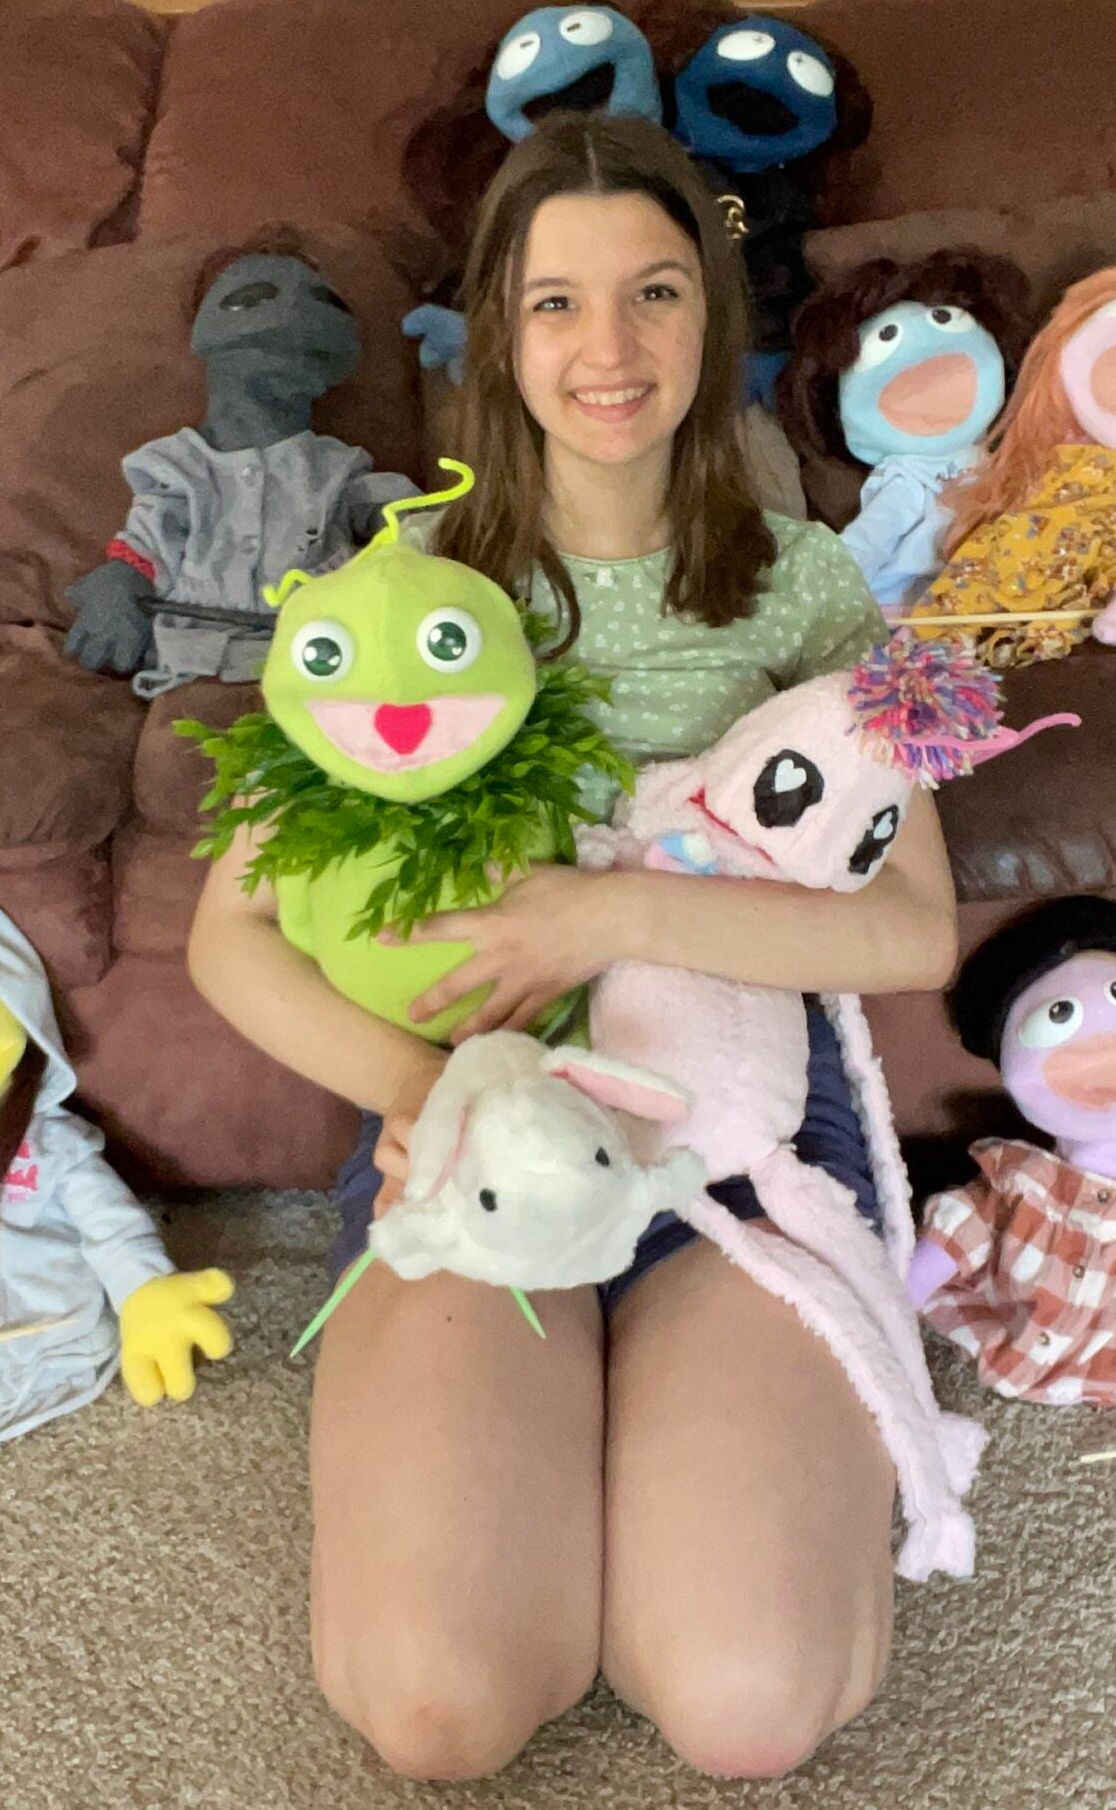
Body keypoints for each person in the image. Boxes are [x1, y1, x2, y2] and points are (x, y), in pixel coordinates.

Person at [185, 113, 958, 1781]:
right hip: (478, 1124)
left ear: (712, 317)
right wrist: (421, 1092)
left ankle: (660, 1436)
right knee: (437, 1707)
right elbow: (230, 937)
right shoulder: (406, 582)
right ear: (497, 331)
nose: (610, 348)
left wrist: (607, 912)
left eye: (656, 292)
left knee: (748, 1704)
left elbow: (912, 929)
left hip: (739, 1137)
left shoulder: (809, 588)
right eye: (557, 302)